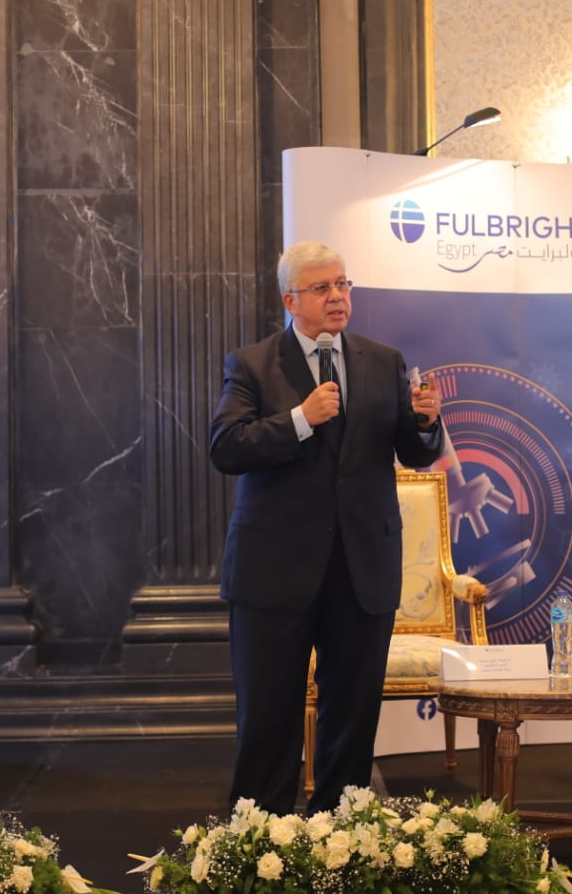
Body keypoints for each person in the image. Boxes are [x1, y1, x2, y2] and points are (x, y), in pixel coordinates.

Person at [209, 240, 443, 815]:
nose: (337, 296)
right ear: (291, 300)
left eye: (343, 284)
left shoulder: (383, 361)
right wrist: (299, 419)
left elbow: (412, 453)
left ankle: (340, 831)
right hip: (274, 570)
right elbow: (227, 447)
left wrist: (424, 424)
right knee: (269, 714)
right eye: (322, 288)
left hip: (361, 567)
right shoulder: (252, 364)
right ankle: (261, 834)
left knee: (353, 715)